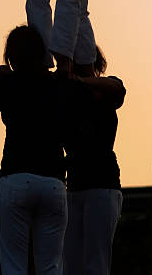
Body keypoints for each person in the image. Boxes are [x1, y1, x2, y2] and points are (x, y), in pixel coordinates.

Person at [0, 25, 70, 274]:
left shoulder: (8, 83)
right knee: (51, 267)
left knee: (13, 266)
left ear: (11, 56)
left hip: (15, 177)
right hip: (53, 181)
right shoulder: (58, 84)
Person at [62, 47, 125, 275]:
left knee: (93, 263)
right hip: (80, 184)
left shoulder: (105, 89)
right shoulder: (74, 93)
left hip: (100, 184)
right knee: (77, 263)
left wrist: (78, 80)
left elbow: (118, 87)